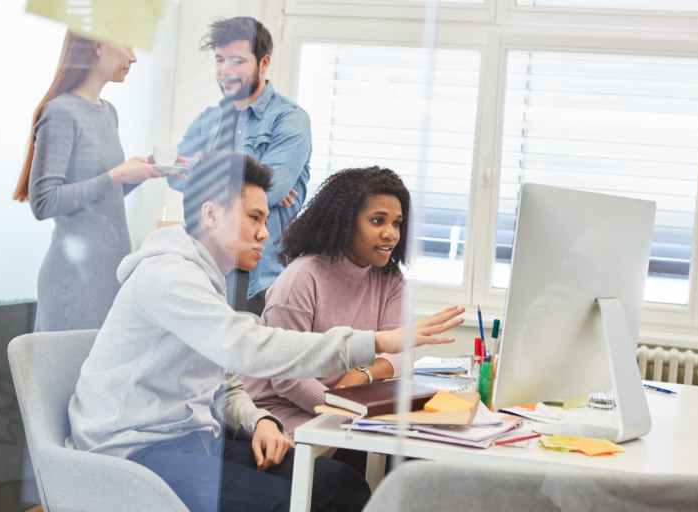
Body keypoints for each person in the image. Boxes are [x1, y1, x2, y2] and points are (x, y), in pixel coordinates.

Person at [66, 152, 464, 512]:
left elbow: (225, 383)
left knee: (340, 486)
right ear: (210, 214)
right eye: (254, 217)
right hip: (135, 453)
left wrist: (260, 422)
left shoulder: (207, 280)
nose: (264, 233)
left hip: (196, 444)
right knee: (283, 505)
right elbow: (249, 349)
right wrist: (374, 343)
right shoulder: (169, 277)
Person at [241, 167, 412, 471]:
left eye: (397, 223)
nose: (392, 233)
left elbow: (402, 352)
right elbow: (287, 377)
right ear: (345, 224)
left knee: (413, 462)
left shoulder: (391, 279)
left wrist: (362, 374)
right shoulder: (300, 279)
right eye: (378, 221)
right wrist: (343, 408)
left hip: (344, 410)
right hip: (285, 412)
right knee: (357, 479)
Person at [14, 33, 185, 332]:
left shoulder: (109, 113)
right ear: (98, 45)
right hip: (75, 282)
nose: (133, 58)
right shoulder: (60, 112)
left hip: (109, 276)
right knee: (69, 377)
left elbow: (101, 197)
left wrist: (141, 173)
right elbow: (44, 203)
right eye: (128, 46)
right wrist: (117, 175)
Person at [168, 16, 312, 316]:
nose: (225, 70)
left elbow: (270, 192)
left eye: (237, 60)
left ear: (264, 62)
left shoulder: (290, 119)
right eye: (220, 60)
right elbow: (174, 175)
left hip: (261, 276)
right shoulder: (208, 118)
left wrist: (203, 166)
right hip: (206, 269)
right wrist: (252, 180)